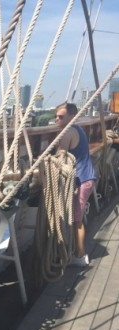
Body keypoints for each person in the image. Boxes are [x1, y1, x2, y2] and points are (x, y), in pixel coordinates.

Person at [55, 102, 96, 267]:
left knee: (77, 220)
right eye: (56, 116)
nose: (57, 119)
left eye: (61, 116)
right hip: (86, 178)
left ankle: (80, 256)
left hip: (82, 181)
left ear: (72, 116)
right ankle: (76, 251)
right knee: (76, 218)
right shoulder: (78, 129)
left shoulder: (68, 132)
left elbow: (59, 158)